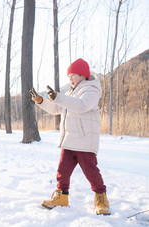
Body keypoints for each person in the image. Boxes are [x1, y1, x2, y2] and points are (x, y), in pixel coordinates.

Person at [29, 58, 111, 215]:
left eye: (73, 75)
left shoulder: (91, 90)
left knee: (90, 171)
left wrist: (59, 97)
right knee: (62, 171)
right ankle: (62, 196)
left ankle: (101, 197)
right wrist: (41, 100)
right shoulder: (70, 92)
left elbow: (81, 106)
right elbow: (55, 109)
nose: (70, 79)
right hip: (69, 141)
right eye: (69, 76)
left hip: (85, 141)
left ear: (82, 75)